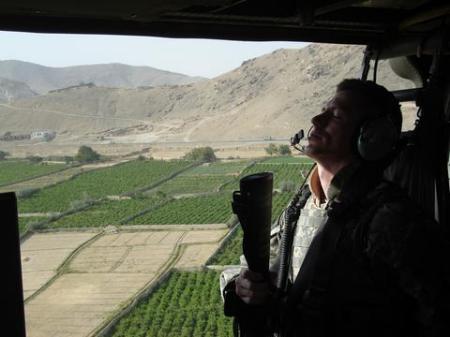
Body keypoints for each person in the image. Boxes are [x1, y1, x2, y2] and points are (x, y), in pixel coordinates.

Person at [221, 79, 450, 337]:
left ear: (371, 137)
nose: (317, 119)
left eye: (336, 116)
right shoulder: (305, 203)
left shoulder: (391, 219)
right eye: (323, 110)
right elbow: (264, 264)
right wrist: (243, 285)